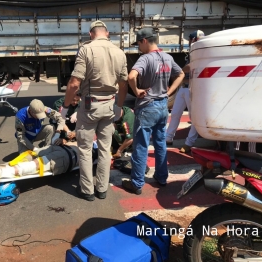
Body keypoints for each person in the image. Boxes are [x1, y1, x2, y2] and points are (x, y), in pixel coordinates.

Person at [61, 20, 128, 201]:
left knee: (85, 149)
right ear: (107, 33)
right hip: (109, 104)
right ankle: (102, 188)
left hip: (90, 105)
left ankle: (87, 190)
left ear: (91, 34)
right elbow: (123, 85)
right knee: (105, 149)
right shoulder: (120, 53)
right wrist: (119, 106)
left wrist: (66, 107)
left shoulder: (86, 49)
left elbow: (75, 83)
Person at [122, 28, 184, 195]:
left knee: (141, 145)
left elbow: (131, 76)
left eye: (138, 45)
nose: (138, 49)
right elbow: (181, 74)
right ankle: (162, 177)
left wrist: (136, 91)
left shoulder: (145, 59)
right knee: (160, 143)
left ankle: (137, 183)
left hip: (147, 106)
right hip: (162, 106)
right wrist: (169, 92)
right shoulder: (168, 57)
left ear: (144, 41)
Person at [0, 141, 98, 181]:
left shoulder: (101, 149)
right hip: (61, 147)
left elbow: (98, 157)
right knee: (30, 155)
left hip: (68, 155)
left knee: (38, 163)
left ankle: (0, 172)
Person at [166, 30, 205, 153]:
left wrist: (181, 71)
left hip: (192, 88)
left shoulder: (201, 52)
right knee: (175, 113)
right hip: (184, 87)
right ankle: (168, 137)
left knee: (193, 117)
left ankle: (189, 143)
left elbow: (191, 67)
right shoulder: (195, 51)